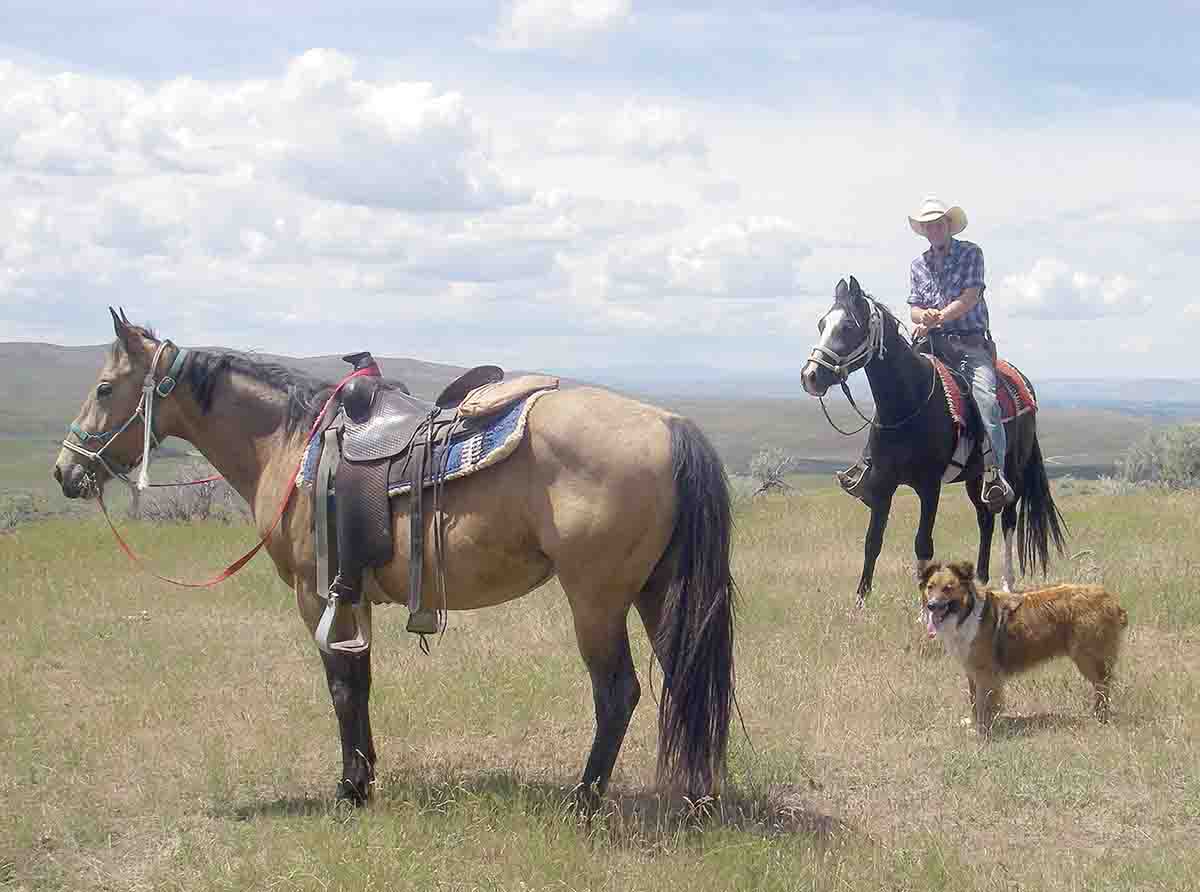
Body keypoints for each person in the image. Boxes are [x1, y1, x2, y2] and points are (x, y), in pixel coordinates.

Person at [907, 195, 1014, 511]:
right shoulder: (918, 265)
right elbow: (914, 307)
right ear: (924, 230)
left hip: (968, 344)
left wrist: (936, 316)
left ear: (948, 225)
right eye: (929, 225)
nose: (934, 230)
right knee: (895, 382)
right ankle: (874, 462)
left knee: (986, 399)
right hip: (931, 345)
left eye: (939, 224)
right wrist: (922, 317)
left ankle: (995, 474)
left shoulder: (971, 253)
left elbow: (970, 297)